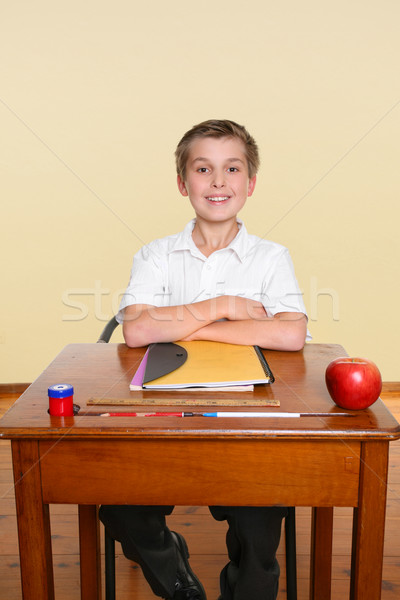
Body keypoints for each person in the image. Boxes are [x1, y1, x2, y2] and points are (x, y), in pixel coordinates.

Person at [99, 119, 308, 600]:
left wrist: (191, 324)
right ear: (182, 182)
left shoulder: (271, 257)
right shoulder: (155, 255)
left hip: (247, 419)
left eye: (232, 168)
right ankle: (174, 573)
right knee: (119, 500)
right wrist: (227, 307)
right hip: (159, 416)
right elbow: (137, 329)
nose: (218, 182)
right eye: (203, 169)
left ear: (250, 183)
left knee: (262, 520)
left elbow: (291, 333)